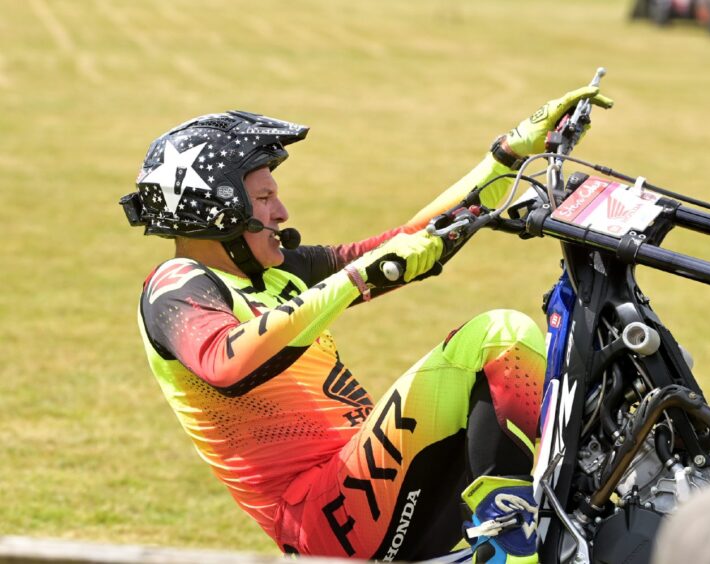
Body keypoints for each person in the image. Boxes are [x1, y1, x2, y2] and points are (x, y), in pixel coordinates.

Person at [121, 87, 612, 562]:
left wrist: (507, 154)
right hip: (324, 522)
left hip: (376, 491)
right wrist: (354, 281)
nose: (282, 211)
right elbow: (224, 361)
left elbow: (409, 240)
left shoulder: (273, 273)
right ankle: (515, 551)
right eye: (265, 197)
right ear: (219, 207)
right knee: (496, 334)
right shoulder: (176, 284)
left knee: (551, 354)